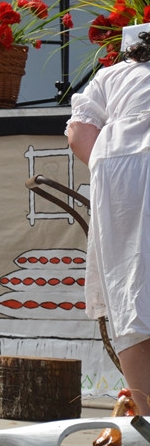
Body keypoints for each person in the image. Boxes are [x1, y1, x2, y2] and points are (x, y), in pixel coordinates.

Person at [66, 23, 150, 416]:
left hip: (118, 167)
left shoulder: (110, 76)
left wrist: (107, 172)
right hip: (126, 164)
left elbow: (80, 132)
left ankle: (145, 409)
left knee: (129, 288)